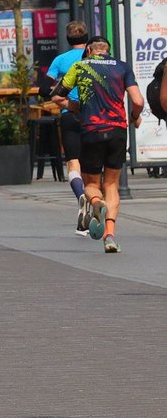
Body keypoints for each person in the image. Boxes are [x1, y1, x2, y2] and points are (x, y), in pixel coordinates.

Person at [52, 36, 144, 253]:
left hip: (91, 130)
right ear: (107, 51)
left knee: (92, 183)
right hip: (118, 132)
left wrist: (75, 106)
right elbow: (138, 100)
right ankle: (109, 235)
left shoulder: (80, 66)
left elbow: (56, 96)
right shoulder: (122, 67)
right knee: (112, 184)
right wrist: (134, 116)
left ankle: (96, 203)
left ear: (89, 51)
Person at [44, 21, 90, 235]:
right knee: (93, 165)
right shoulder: (94, 59)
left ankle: (80, 195)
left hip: (69, 116)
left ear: (68, 39)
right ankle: (94, 200)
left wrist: (63, 98)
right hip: (93, 116)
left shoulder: (60, 60)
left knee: (73, 162)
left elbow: (45, 89)